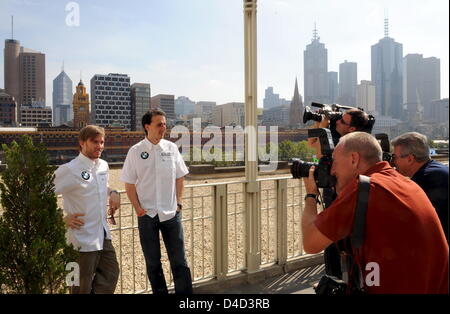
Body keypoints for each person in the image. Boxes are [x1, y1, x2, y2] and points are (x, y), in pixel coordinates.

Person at [302, 132, 448, 293]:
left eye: (334, 161)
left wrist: (311, 194)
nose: (332, 170)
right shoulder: (406, 183)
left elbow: (310, 243)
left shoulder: (365, 189)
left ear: (354, 159)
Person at [120, 109, 193, 294]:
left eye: (164, 124)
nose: (164, 127)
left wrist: (178, 204)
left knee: (180, 262)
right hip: (147, 215)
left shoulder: (171, 148)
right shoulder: (136, 151)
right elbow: (129, 184)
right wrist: (138, 209)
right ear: (147, 126)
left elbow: (180, 177)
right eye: (159, 124)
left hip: (170, 214)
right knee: (153, 263)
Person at [54, 125, 120, 294]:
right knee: (77, 287)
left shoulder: (103, 165)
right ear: (82, 143)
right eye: (94, 142)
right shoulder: (68, 169)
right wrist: (61, 219)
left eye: (102, 142)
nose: (99, 146)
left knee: (111, 274)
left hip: (102, 235)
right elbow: (40, 194)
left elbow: (101, 186)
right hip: (78, 241)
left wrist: (112, 191)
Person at [307, 108, 372, 279]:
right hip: (340, 197)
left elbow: (320, 155)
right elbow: (312, 143)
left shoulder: (347, 146)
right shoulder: (349, 140)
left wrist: (324, 126)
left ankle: (338, 282)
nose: (337, 122)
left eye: (342, 121)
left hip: (341, 198)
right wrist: (321, 123)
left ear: (352, 129)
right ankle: (344, 280)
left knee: (337, 242)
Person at [391, 132, 448, 242]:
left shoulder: (425, 179)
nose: (393, 162)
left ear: (410, 159)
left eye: (395, 157)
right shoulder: (436, 169)